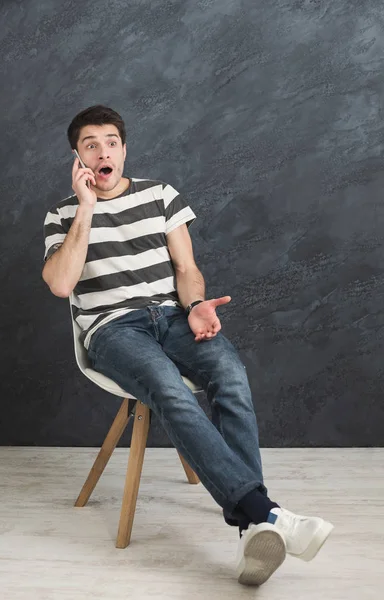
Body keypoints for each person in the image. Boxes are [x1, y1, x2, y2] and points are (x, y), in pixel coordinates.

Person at [42, 105, 333, 586]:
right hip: (113, 330)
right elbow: (60, 283)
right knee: (169, 390)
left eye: (111, 141)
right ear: (78, 156)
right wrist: (87, 209)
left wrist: (195, 303)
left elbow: (185, 268)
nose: (103, 151)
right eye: (91, 144)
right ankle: (269, 515)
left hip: (173, 316)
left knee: (231, 376)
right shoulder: (63, 214)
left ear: (124, 148)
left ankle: (252, 526)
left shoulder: (161, 195)